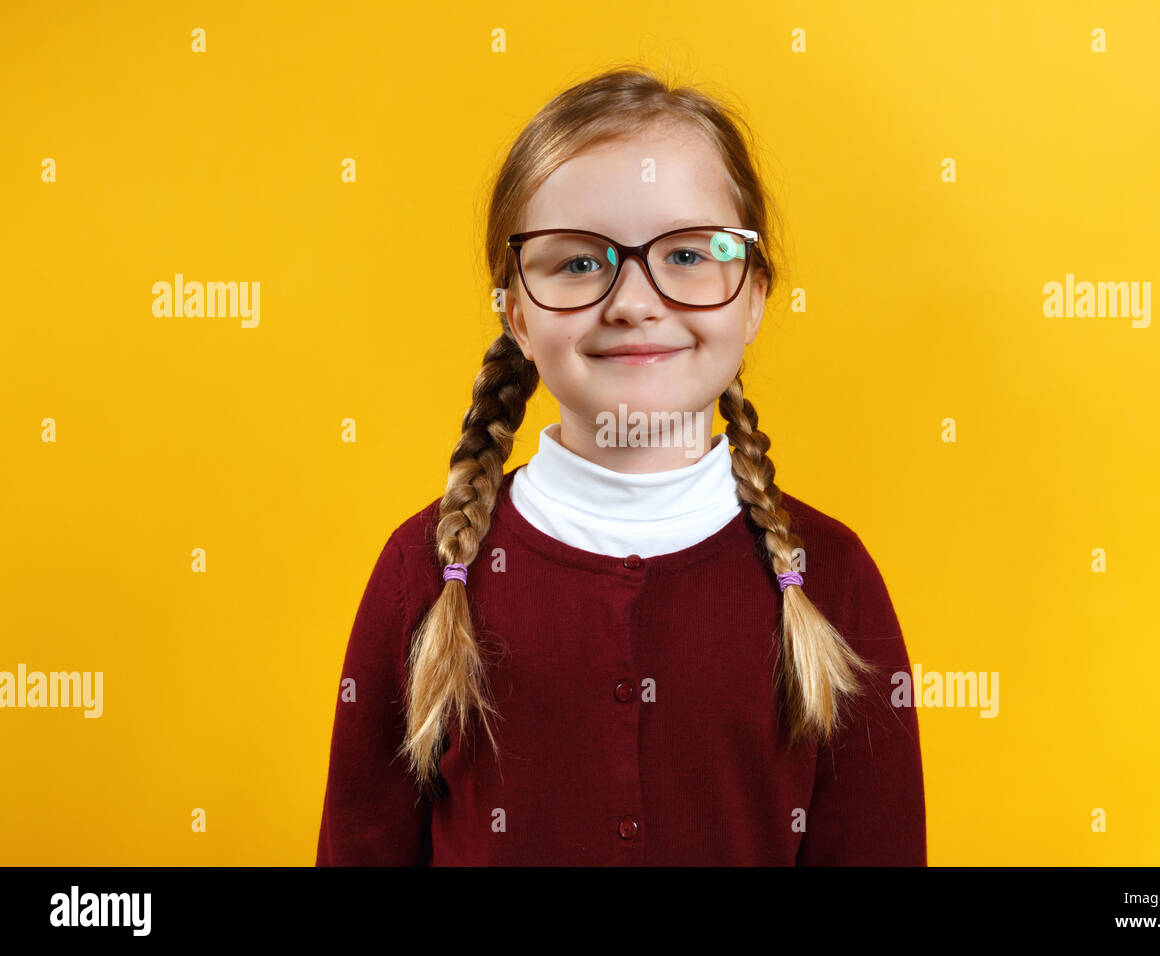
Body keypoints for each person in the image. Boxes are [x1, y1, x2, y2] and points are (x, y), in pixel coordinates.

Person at [315, 64, 926, 866]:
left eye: (686, 256)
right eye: (577, 263)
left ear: (753, 298)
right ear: (517, 316)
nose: (635, 300)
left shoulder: (833, 578)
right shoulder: (422, 575)